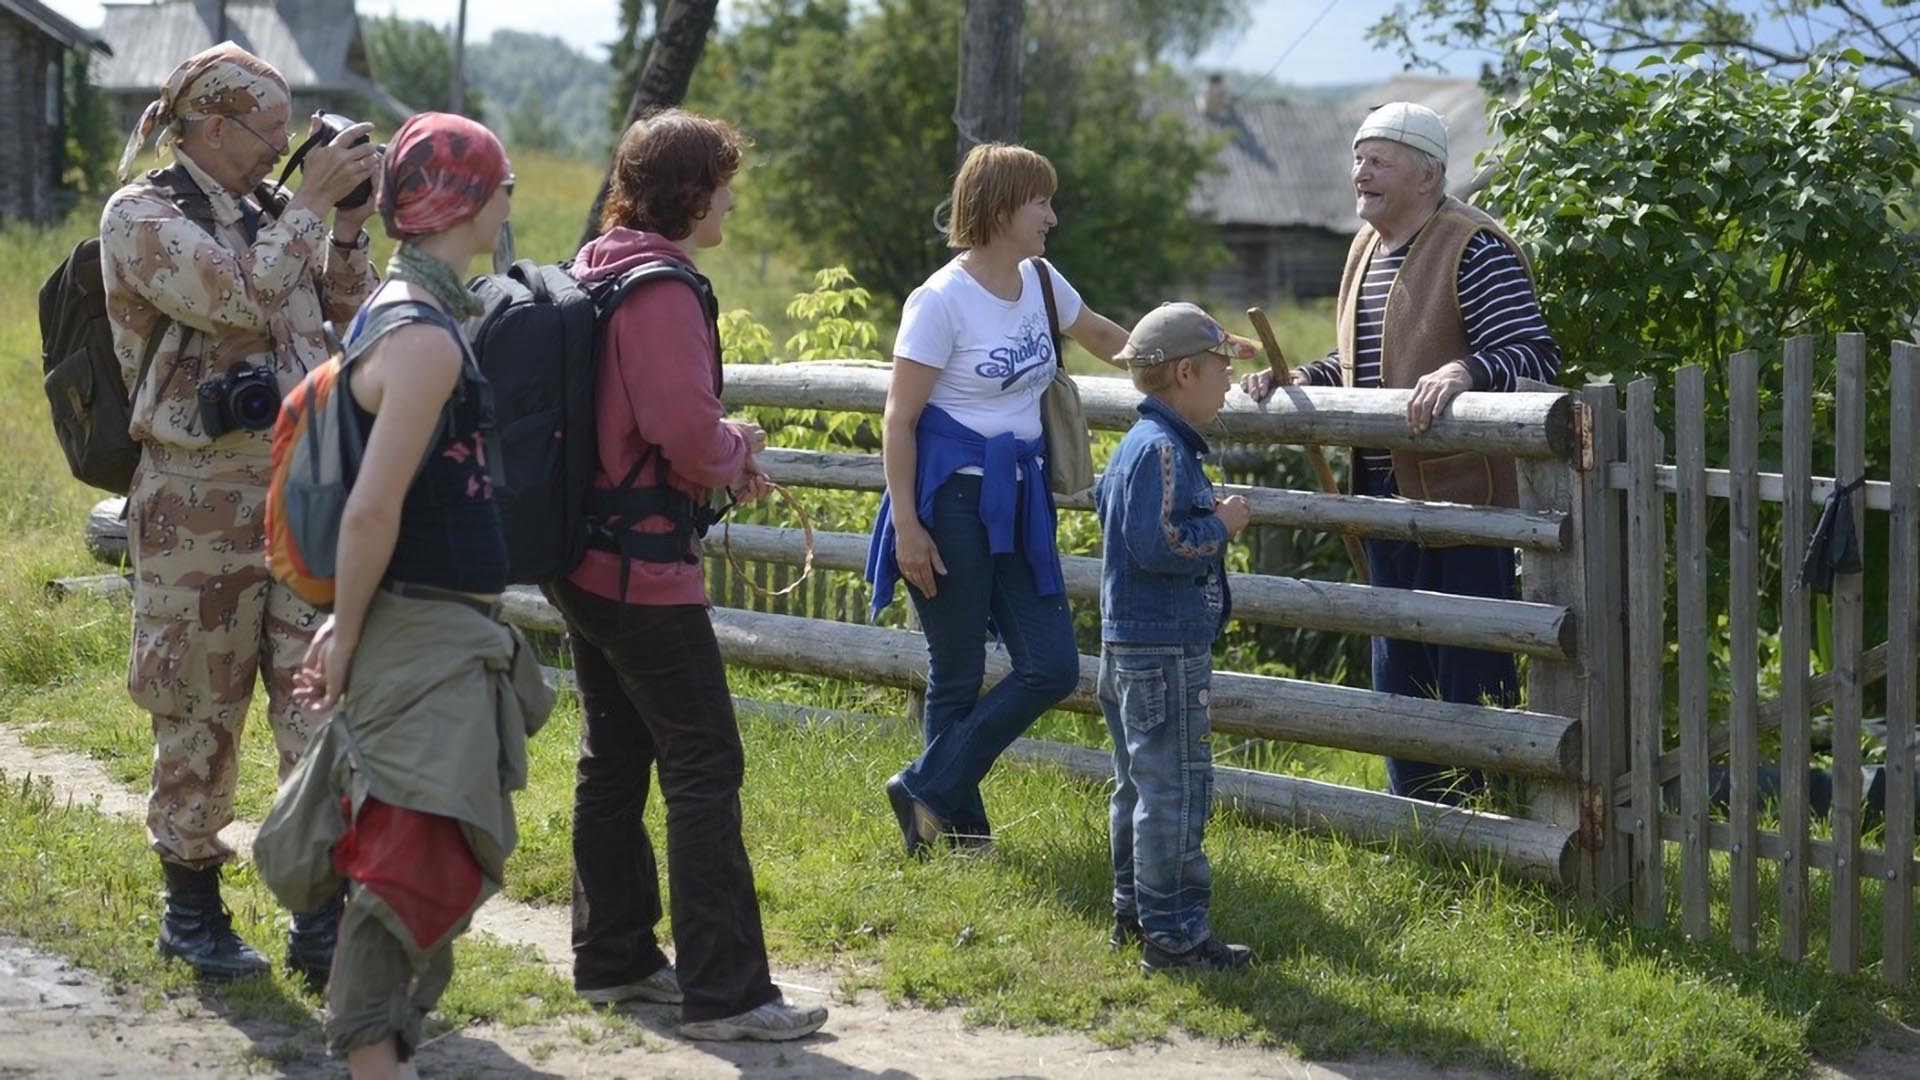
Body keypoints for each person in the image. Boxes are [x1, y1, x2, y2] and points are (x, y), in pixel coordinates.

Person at [280, 111, 552, 1079]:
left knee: (425, 859)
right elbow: (368, 510)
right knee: (403, 865)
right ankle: (371, 1062)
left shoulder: (415, 311)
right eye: (503, 184)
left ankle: (384, 1051)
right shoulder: (421, 336)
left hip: (440, 628)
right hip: (418, 634)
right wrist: (345, 637)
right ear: (466, 200)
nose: (513, 200)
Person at [99, 40, 379, 983]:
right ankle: (192, 912)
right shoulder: (141, 215)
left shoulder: (272, 211)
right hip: (195, 504)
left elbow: (343, 311)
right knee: (197, 708)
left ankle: (319, 913)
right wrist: (304, 211)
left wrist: (341, 226)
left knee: (317, 703)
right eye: (268, 132)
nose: (280, 150)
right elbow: (241, 299)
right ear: (211, 128)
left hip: (297, 488)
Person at [546, 109, 828, 1042]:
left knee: (615, 755)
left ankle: (615, 958)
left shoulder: (600, 261)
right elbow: (681, 431)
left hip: (583, 559)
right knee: (706, 765)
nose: (732, 198)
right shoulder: (663, 288)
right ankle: (730, 995)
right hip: (641, 570)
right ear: (690, 191)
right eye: (722, 180)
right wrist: (737, 441)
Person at [1241, 102, 1562, 804]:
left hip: (1463, 507)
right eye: (1358, 158)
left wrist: (1464, 372)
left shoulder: (1473, 246)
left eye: (1378, 160)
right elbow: (1365, 368)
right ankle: (1421, 818)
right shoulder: (1364, 248)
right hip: (1383, 501)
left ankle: (1490, 819)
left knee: (1467, 670)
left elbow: (1535, 353)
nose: (1360, 173)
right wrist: (1300, 379)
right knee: (1399, 669)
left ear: (1428, 173)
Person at [865, 143, 1133, 856]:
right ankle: (958, 837)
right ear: (998, 207)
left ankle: (925, 783)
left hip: (1019, 500)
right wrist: (910, 527)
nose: (1051, 215)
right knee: (955, 670)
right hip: (947, 502)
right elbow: (900, 418)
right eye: (1039, 201)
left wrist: (1192, 349)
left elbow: (1107, 338)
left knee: (1051, 665)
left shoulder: (1041, 280)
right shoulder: (941, 300)